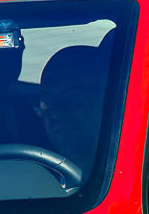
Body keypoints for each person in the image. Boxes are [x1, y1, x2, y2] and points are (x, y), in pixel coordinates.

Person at [33, 42, 112, 178]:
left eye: (71, 98)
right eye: (47, 102)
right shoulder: (31, 178)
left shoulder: (140, 169)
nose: (54, 114)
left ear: (107, 100)